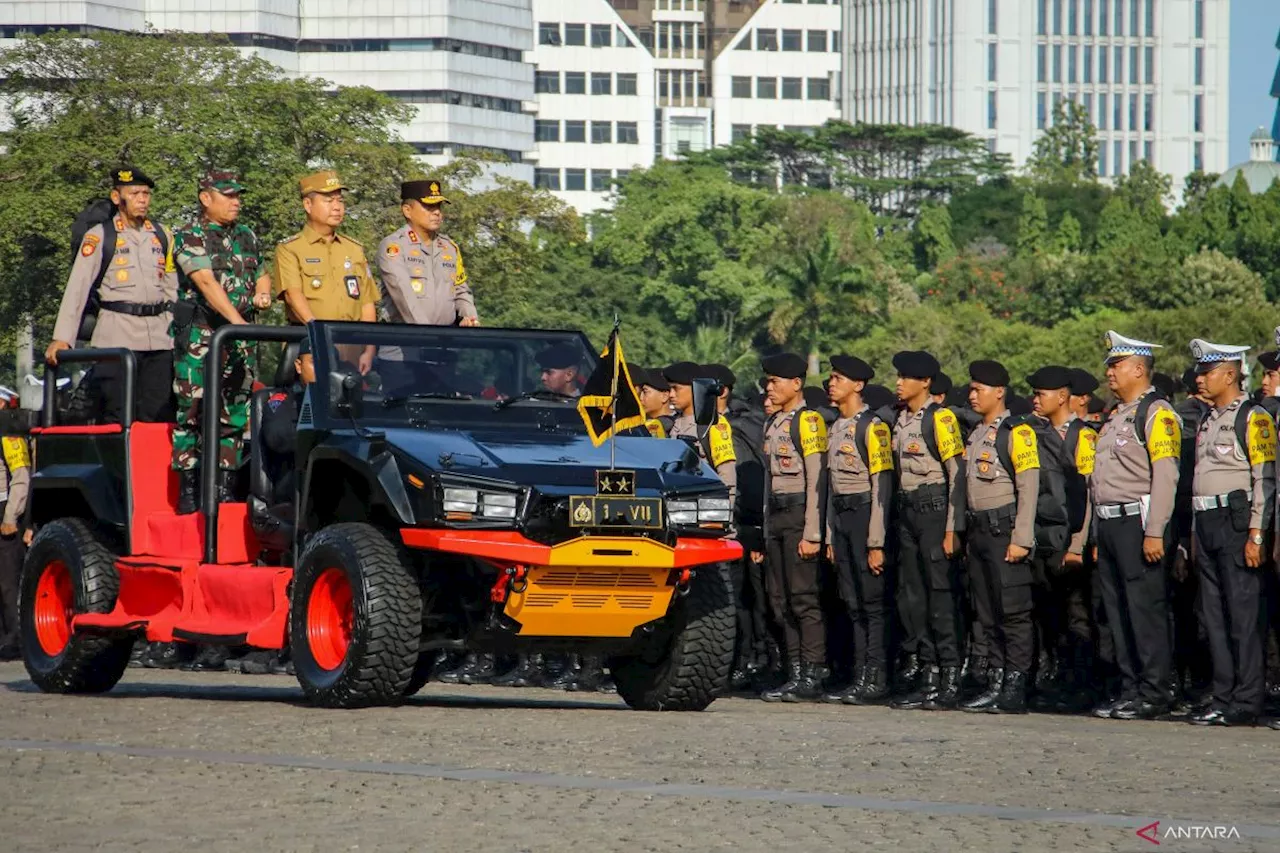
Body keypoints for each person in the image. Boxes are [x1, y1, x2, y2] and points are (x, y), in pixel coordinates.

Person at [169, 170, 273, 513]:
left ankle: (225, 490)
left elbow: (261, 272)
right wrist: (238, 321)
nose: (235, 202)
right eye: (227, 195)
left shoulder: (246, 235)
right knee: (193, 411)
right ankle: (190, 491)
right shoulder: (189, 235)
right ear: (205, 198)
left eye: (237, 195)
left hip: (240, 340)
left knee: (235, 413)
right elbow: (206, 283)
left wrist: (262, 292)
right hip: (203, 337)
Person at [1090, 331, 1181, 721]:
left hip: (1137, 520)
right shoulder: (1115, 415)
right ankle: (1130, 688)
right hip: (1109, 524)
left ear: (1139, 369)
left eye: (1117, 365)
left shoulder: (1157, 413)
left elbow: (1166, 475)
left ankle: (1155, 691)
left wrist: (1156, 530)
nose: (1109, 372)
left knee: (1145, 611)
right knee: (1118, 612)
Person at [1185, 340, 1274, 727]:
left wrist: (1257, 533)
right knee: (1214, 615)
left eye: (1207, 373)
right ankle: (1222, 694)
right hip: (1205, 522)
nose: (1200, 380)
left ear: (1229, 374)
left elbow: (1264, 478)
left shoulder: (1252, 417)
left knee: (1242, 615)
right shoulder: (1207, 419)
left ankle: (1247, 697)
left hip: (1235, 523)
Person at [48, 167, 177, 423]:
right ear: (117, 198)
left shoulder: (162, 235)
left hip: (159, 340)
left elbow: (172, 287)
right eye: (135, 193)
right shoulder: (100, 237)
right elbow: (78, 289)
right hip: (117, 336)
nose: (142, 199)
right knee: (118, 415)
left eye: (146, 194)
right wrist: (62, 338)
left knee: (158, 415)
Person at [958, 360, 1039, 714]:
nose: (972, 395)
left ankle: (1016, 685)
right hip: (978, 530)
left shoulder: (1017, 432)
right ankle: (996, 680)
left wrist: (1021, 537)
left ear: (1000, 392)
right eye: (972, 389)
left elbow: (1029, 486)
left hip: (1004, 528)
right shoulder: (976, 433)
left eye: (979, 389)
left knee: (1013, 612)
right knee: (986, 611)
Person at [889, 350, 967, 711]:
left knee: (939, 596)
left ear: (925, 383)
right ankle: (928, 674)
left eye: (906, 378)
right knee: (912, 597)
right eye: (899, 376)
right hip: (908, 513)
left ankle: (950, 675)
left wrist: (953, 527)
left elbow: (956, 473)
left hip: (935, 511)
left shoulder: (941, 418)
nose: (899, 383)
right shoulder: (900, 420)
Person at [821, 355, 894, 705]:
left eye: (838, 378)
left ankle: (876, 677)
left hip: (866, 514)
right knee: (852, 602)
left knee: (872, 603)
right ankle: (860, 675)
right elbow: (831, 487)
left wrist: (876, 540)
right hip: (842, 516)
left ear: (858, 385)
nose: (831, 383)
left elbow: (882, 485)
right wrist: (831, 535)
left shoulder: (873, 426)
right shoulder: (835, 426)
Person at [1027, 365, 1099, 712]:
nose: (1035, 400)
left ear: (1062, 397)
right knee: (1048, 614)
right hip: (1041, 535)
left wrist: (1077, 545)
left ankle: (1080, 684)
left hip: (1069, 538)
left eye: (1041, 393)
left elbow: (1088, 493)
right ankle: (1054, 678)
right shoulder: (1035, 434)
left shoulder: (1083, 437)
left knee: (1076, 616)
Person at [759, 352, 829, 702]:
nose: (768, 388)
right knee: (778, 598)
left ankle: (812, 673)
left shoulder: (809, 422)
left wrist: (813, 533)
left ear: (796, 384)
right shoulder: (773, 423)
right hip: (776, 517)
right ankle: (794, 672)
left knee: (803, 599)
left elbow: (818, 478)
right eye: (768, 381)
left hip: (801, 514)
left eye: (775, 381)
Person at [374, 179, 479, 391]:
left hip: (443, 353)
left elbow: (460, 289)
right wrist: (428, 336)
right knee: (402, 419)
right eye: (429, 207)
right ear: (407, 210)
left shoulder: (449, 247)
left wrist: (470, 317)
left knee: (442, 417)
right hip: (403, 356)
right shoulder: (394, 247)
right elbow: (403, 296)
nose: (436, 212)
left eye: (438, 207)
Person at [273, 171, 379, 373]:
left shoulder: (353, 248)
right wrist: (319, 334)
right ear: (308, 205)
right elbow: (293, 296)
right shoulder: (290, 248)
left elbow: (366, 302)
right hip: (311, 345)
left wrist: (369, 348)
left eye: (340, 201)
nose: (337, 207)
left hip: (352, 346)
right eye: (329, 201)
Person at [663, 362, 737, 498]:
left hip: (703, 502)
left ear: (695, 388)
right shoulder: (670, 423)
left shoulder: (712, 423)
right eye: (669, 389)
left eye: (676, 388)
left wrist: (725, 512)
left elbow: (727, 472)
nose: (671, 395)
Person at [0, 430, 30, 659]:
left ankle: (16, 639)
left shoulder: (9, 437)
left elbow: (21, 477)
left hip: (4, 512)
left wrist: (10, 516)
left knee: (8, 580)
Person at [636, 368, 673, 436]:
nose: (640, 398)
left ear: (664, 396)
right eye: (639, 392)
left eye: (645, 392)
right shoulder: (639, 422)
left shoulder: (675, 426)